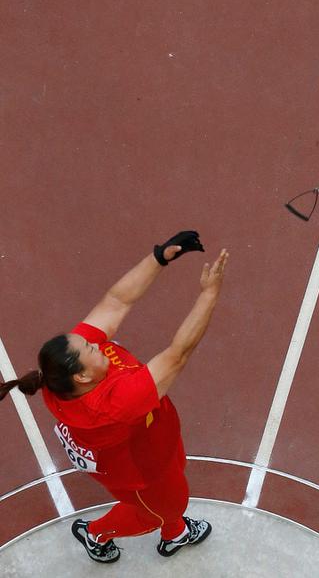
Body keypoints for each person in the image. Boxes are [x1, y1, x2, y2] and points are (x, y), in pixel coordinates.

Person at [0, 230, 229, 564]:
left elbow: (116, 301)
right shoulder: (112, 405)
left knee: (175, 473)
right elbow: (178, 354)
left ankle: (174, 532)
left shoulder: (72, 374)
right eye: (89, 347)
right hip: (142, 472)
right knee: (160, 511)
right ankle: (96, 533)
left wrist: (158, 257)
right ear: (82, 375)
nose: (93, 340)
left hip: (154, 439)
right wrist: (210, 294)